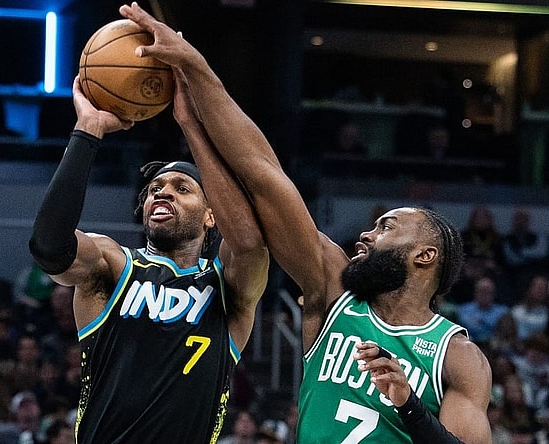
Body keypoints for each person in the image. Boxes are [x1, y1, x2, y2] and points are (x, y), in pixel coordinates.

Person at [120, 3, 493, 443]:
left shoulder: (458, 356)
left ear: (425, 255)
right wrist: (198, 72)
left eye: (387, 227)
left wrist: (409, 405)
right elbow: (265, 175)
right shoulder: (333, 291)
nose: (366, 234)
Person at [27, 45, 269, 443]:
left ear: (212, 215)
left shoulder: (229, 287)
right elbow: (48, 247)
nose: (162, 193)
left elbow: (249, 242)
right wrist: (88, 131)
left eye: (182, 188)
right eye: (155, 188)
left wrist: (191, 125)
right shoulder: (113, 266)